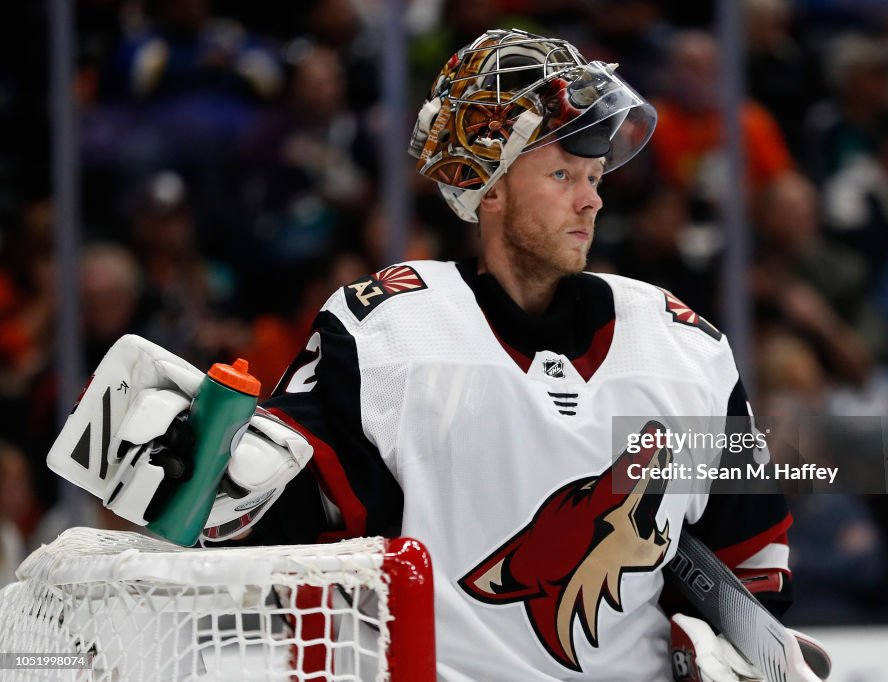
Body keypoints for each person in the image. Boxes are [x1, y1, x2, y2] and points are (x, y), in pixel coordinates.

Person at [49, 29, 826, 681]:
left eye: (593, 177)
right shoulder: (385, 329)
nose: (591, 199)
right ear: (486, 191)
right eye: (561, 174)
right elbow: (293, 520)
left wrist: (733, 648)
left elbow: (750, 552)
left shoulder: (684, 344)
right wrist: (199, 471)